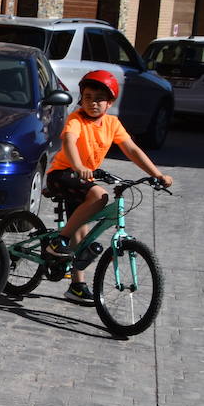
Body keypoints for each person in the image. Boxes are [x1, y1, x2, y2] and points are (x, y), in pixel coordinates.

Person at [42, 70, 173, 304]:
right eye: (88, 96)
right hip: (63, 174)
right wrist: (79, 165)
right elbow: (69, 142)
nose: (93, 102)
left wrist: (157, 174)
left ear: (110, 102)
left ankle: (77, 286)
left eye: (99, 98)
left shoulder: (112, 123)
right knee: (100, 196)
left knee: (81, 231)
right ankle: (57, 241)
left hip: (84, 178)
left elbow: (131, 149)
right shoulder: (76, 119)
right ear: (81, 98)